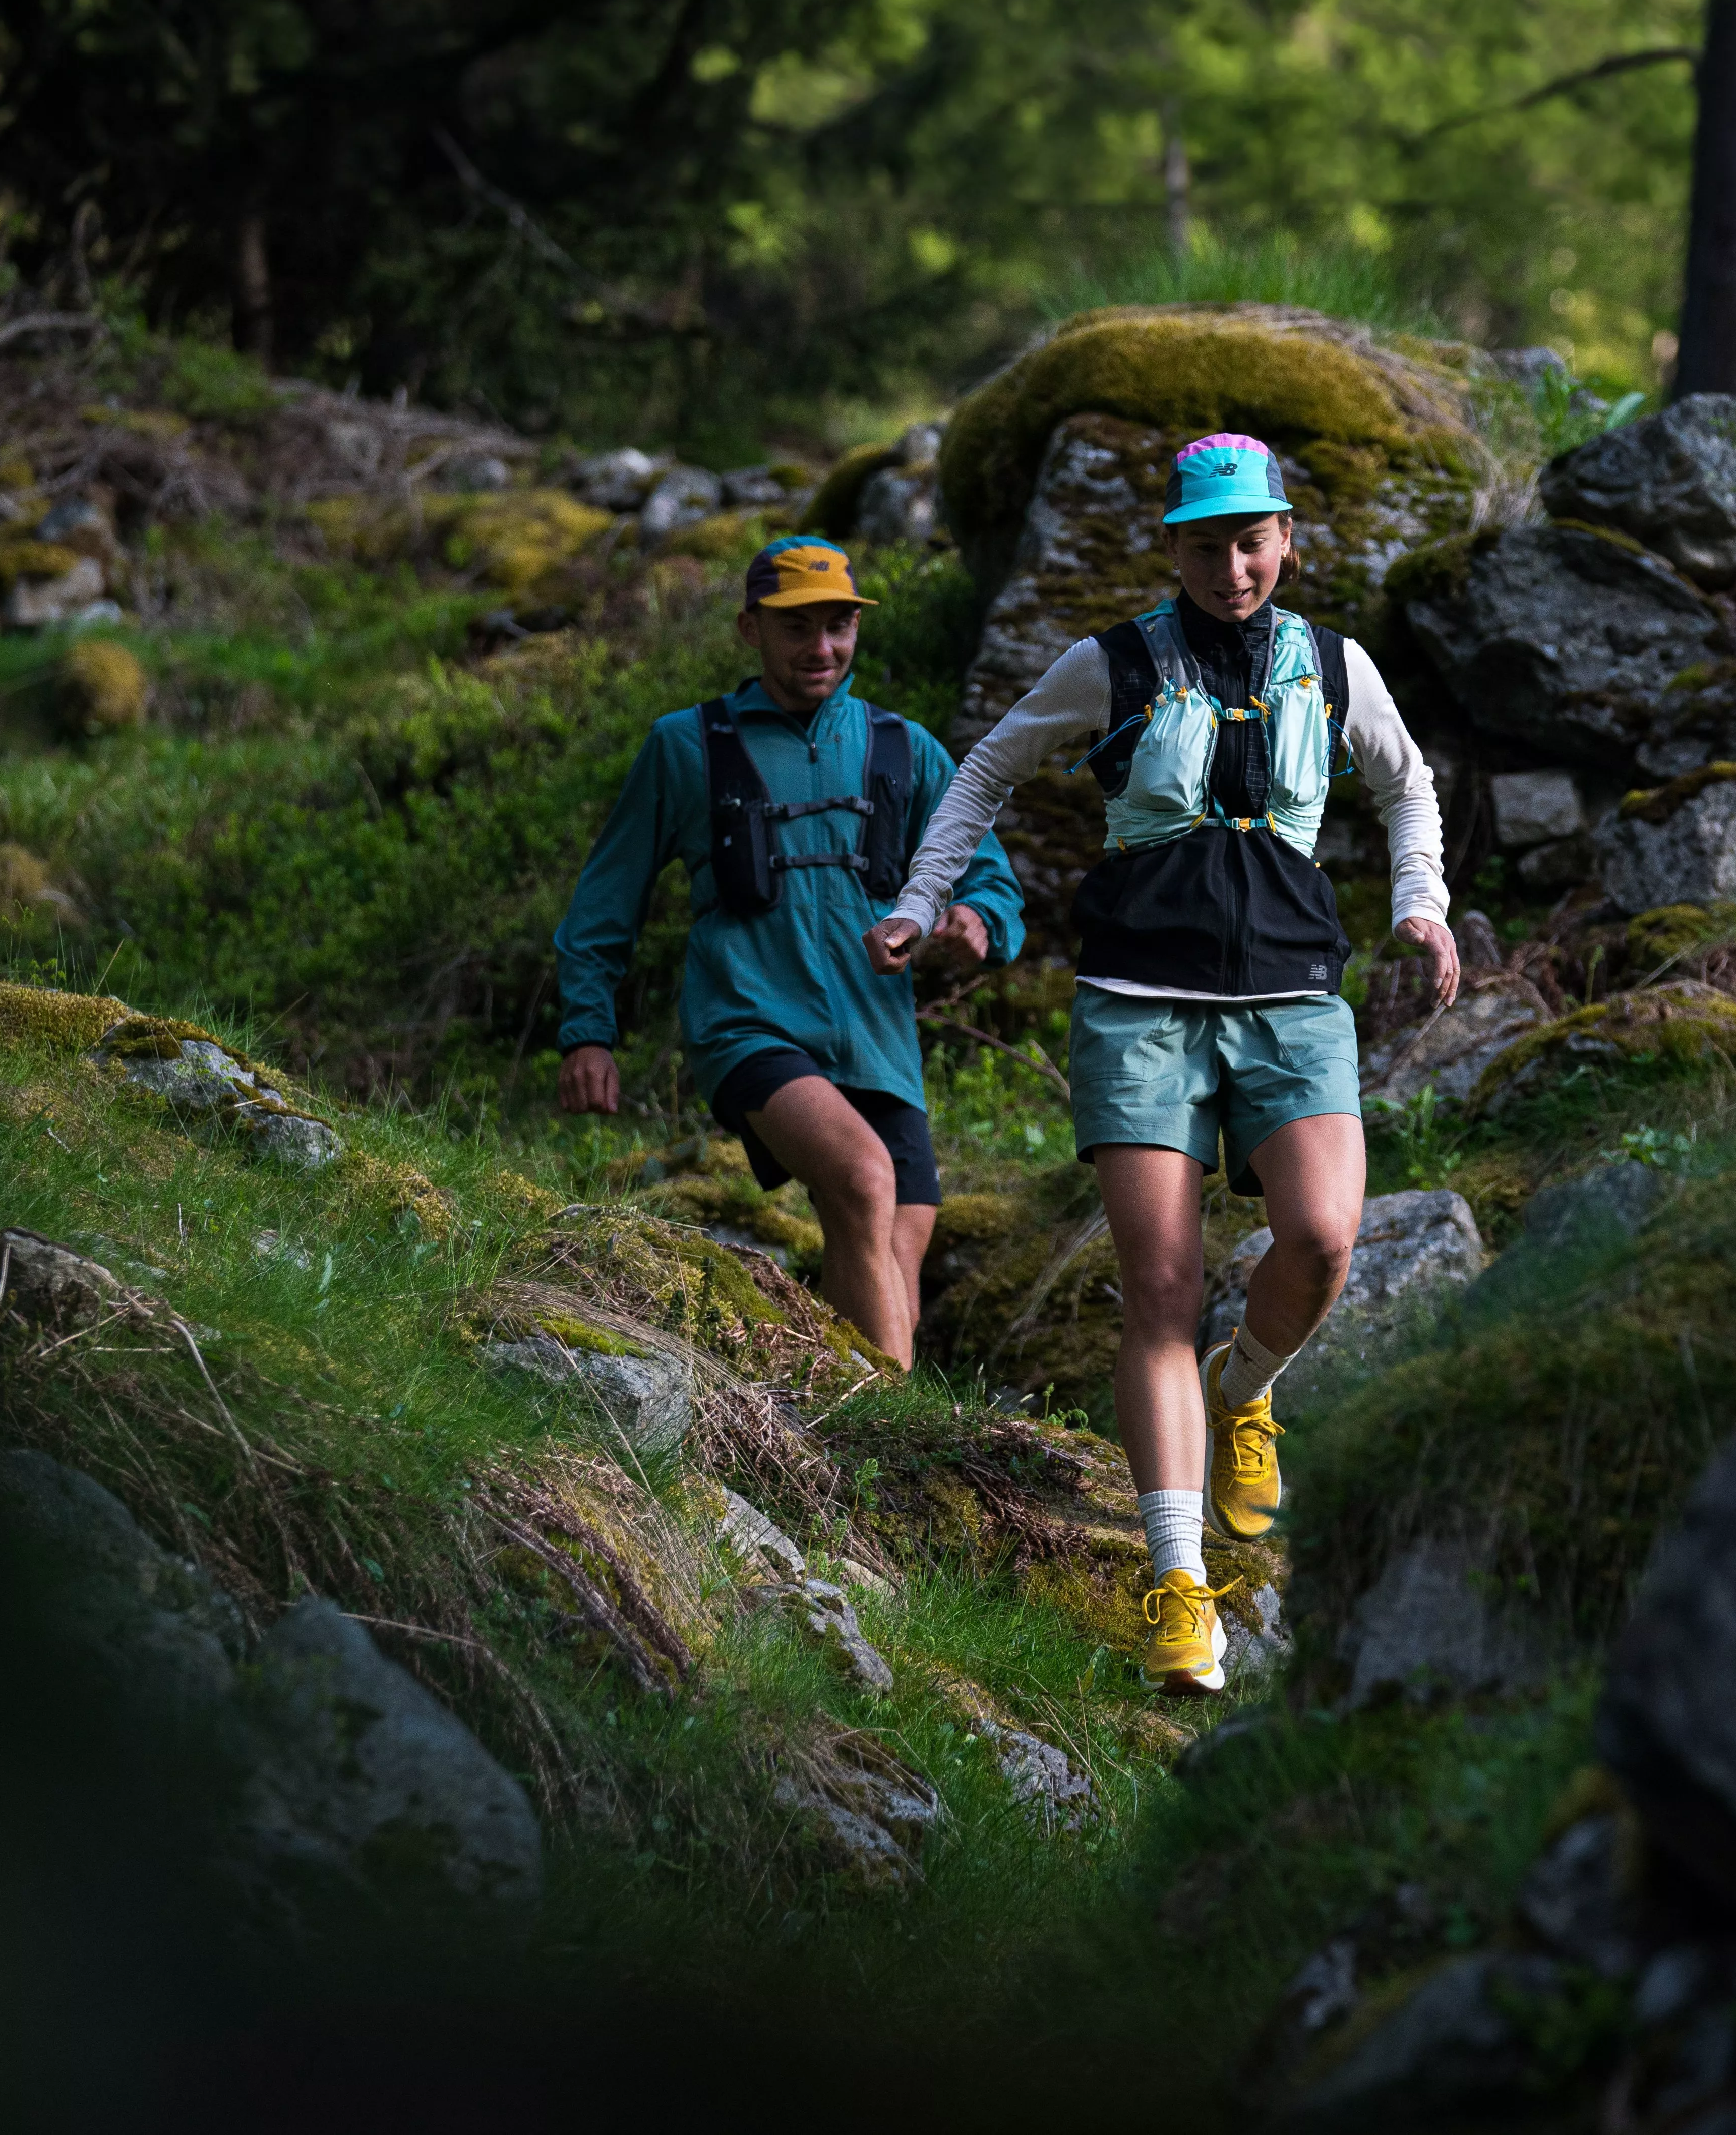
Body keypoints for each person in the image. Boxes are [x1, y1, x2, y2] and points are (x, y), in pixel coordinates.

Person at [866, 434, 1458, 1694]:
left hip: (1296, 995)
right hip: (1139, 1004)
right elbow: (985, 771)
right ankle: (1177, 1584)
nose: (1232, 567)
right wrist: (925, 896)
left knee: (1323, 1236)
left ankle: (1245, 1397)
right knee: (1164, 1288)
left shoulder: (1336, 665)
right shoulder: (1115, 665)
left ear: (1287, 540)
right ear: (1173, 549)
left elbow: (1411, 790)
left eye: (1252, 542)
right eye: (1206, 544)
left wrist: (1423, 899)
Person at [552, 534, 1025, 1367]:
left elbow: (988, 873)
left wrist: (977, 917)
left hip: (877, 1041)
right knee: (862, 1180)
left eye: (839, 626)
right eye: (797, 627)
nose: (822, 649)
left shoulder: (903, 748)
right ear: (750, 630)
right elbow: (606, 899)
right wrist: (588, 1030)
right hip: (749, 1021)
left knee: (899, 1243)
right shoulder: (686, 746)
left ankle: (835, 1418)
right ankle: (904, 1447)